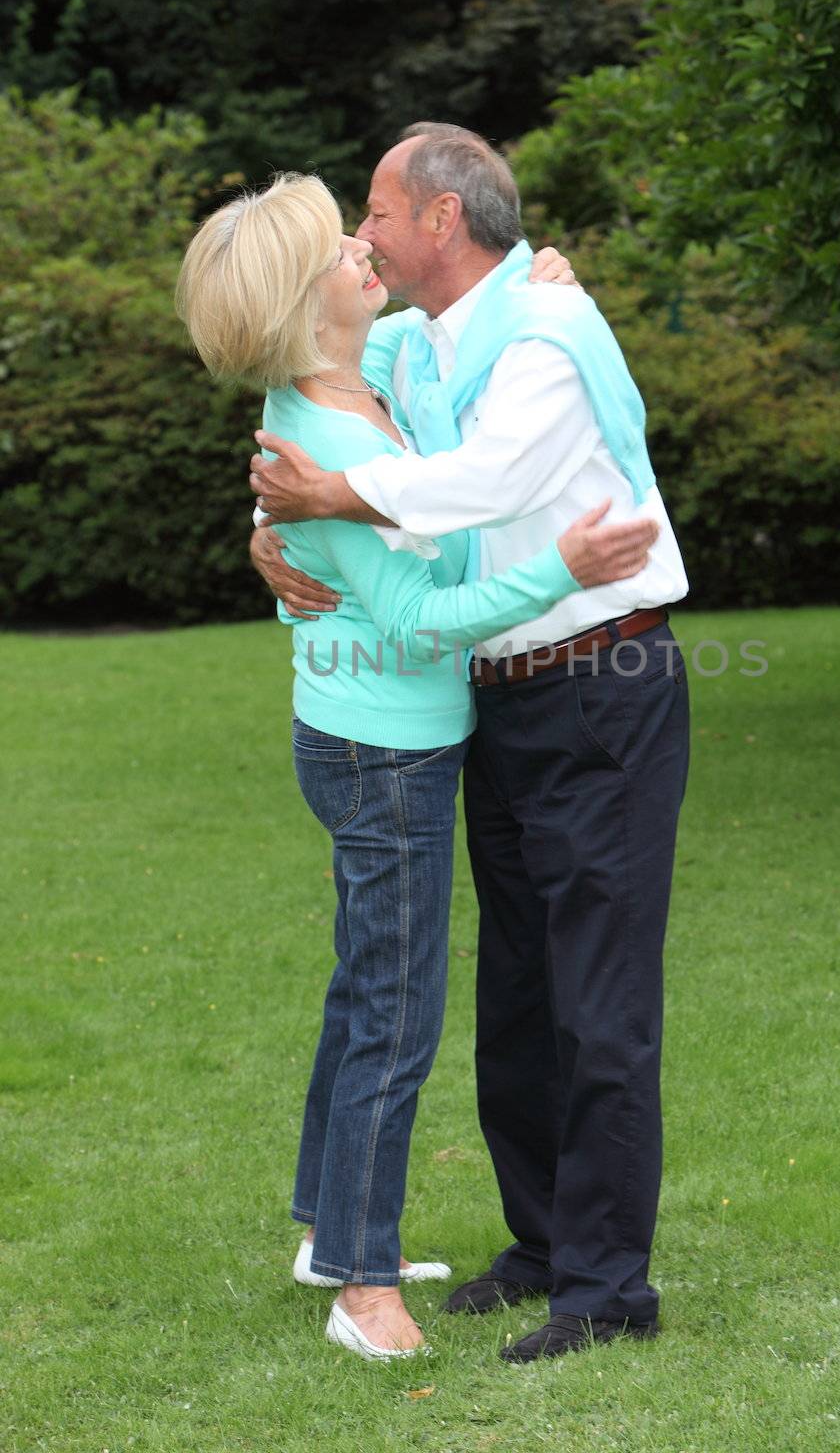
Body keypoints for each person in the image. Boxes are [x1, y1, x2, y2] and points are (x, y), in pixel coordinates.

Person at [175, 171, 658, 1361]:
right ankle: (360, 1277)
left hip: (440, 723)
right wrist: (561, 564)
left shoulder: (377, 368)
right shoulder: (329, 419)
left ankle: (350, 1238)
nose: (363, 248)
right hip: (389, 746)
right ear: (308, 303)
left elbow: (437, 370)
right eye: (343, 245)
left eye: (368, 222)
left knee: (384, 999)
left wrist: (543, 282)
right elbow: (409, 611)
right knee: (397, 1013)